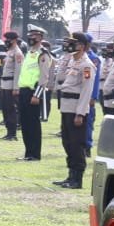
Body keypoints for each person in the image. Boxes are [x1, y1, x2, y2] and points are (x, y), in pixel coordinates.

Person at [54, 32, 95, 189]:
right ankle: (70, 175)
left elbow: (86, 90)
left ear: (82, 46)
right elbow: (61, 80)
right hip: (66, 107)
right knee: (67, 142)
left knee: (76, 144)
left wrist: (80, 113)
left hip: (76, 109)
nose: (70, 45)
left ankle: (77, 178)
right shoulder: (72, 61)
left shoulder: (86, 65)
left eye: (74, 43)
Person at [17, 25, 54, 161]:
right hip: (24, 91)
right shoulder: (29, 52)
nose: (31, 38)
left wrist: (36, 95)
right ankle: (28, 152)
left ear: (40, 37)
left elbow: (44, 77)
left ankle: (35, 153)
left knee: (33, 124)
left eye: (34, 36)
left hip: (33, 93)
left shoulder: (43, 54)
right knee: (25, 123)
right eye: (30, 35)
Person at [0, 31, 24, 140]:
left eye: (8, 39)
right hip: (5, 84)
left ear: (13, 40)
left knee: (11, 110)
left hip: (11, 85)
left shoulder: (17, 53)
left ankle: (12, 133)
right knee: (5, 109)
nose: (6, 41)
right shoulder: (9, 52)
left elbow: (18, 71)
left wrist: (16, 87)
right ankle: (8, 132)